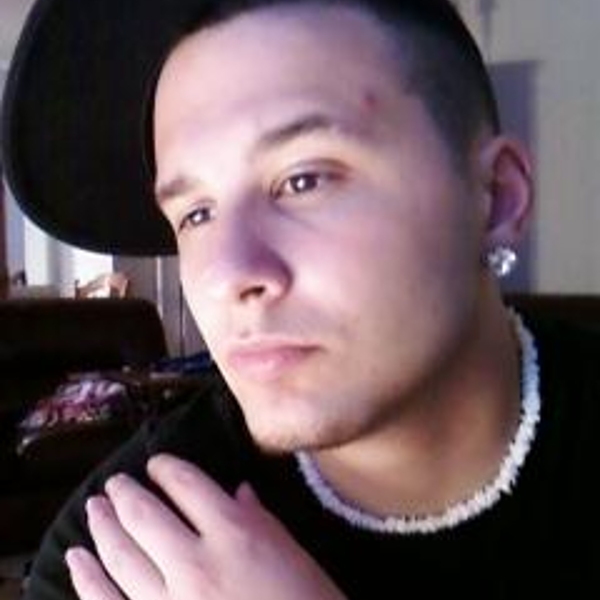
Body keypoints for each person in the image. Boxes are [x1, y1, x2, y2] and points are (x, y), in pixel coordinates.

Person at [1, 0, 598, 598]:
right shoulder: (124, 550)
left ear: (496, 197)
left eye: (303, 180)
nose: (230, 275)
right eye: (196, 213)